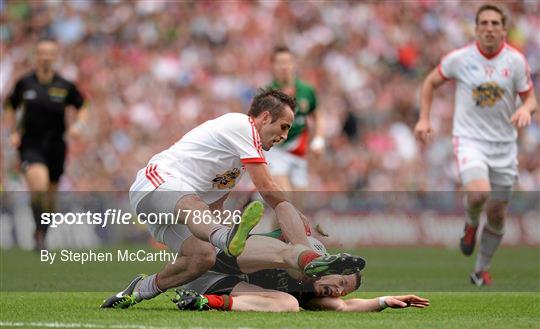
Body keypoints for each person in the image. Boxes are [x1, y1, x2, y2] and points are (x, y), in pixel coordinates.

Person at [102, 89, 363, 308]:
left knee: (204, 257)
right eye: (283, 127)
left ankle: (140, 290)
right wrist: (302, 250)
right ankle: (224, 237)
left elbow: (216, 205)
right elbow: (268, 189)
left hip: (176, 212)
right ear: (265, 117)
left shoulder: (237, 165)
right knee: (197, 208)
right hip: (155, 184)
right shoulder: (241, 126)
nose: (284, 136)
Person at [414, 4, 537, 286]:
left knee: (497, 213)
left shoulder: (516, 61)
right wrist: (424, 118)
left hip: (505, 146)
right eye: (485, 23)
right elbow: (430, 82)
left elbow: (530, 98)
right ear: (477, 28)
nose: (490, 28)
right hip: (470, 141)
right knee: (479, 194)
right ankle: (470, 223)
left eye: (496, 23)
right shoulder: (461, 58)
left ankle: (481, 269)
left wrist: (526, 110)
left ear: (504, 29)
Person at [171, 234, 428, 312]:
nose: (338, 290)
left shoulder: (310, 295)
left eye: (343, 289)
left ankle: (202, 303)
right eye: (340, 281)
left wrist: (385, 301)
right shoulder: (306, 251)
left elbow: (345, 306)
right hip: (206, 264)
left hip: (211, 286)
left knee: (290, 303)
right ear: (330, 265)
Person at [3, 39, 88, 250]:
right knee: (38, 186)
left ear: (56, 56)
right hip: (31, 143)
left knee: (50, 197)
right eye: (42, 53)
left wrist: (78, 126)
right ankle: (39, 233)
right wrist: (13, 132)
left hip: (56, 145)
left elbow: (84, 105)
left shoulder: (64, 85)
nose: (46, 57)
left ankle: (42, 232)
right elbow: (9, 106)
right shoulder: (25, 83)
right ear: (36, 56)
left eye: (50, 53)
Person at [265, 46, 325, 193]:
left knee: (297, 205)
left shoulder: (306, 90)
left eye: (288, 62)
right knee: (286, 196)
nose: (284, 66)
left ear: (294, 64)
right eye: (280, 62)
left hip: (298, 150)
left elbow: (317, 115)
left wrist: (319, 139)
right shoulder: (267, 93)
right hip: (276, 150)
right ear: (273, 66)